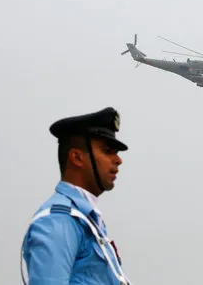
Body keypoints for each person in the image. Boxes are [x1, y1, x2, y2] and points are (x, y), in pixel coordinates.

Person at [21, 107, 131, 285]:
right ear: (77, 158)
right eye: (107, 151)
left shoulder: (85, 219)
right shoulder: (59, 220)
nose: (118, 160)